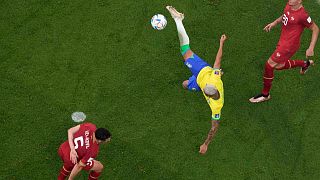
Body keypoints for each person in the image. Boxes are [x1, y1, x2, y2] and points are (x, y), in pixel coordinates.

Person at [166, 6, 227, 154]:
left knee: (185, 84)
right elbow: (218, 59)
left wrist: (206, 144)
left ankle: (178, 20)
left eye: (206, 91)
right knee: (184, 50)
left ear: (210, 95)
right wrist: (221, 43)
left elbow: (214, 127)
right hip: (201, 69)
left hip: (199, 80)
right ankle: (178, 19)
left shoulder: (216, 108)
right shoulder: (214, 78)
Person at [250, 0, 319, 103]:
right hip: (283, 41)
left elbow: (315, 28)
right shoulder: (289, 5)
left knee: (269, 65)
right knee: (278, 65)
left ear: (299, 1)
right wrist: (275, 23)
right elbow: (285, 15)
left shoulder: (302, 15)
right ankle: (305, 64)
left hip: (289, 46)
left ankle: (265, 94)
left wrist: (311, 48)